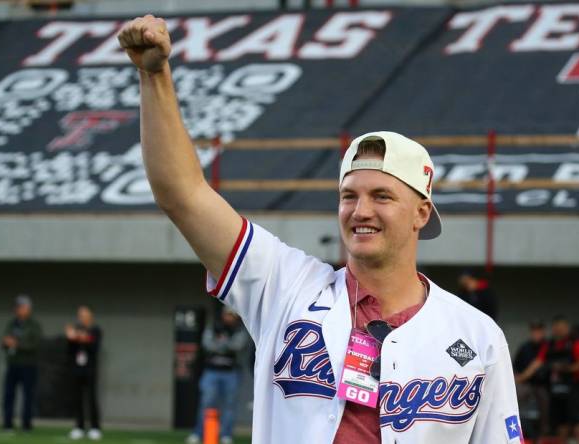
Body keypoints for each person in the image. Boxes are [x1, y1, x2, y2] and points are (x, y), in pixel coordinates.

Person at [118, 15, 520, 444]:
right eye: (349, 195)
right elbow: (182, 194)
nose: (360, 210)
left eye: (382, 196)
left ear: (421, 213)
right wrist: (154, 74)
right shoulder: (284, 286)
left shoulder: (477, 337)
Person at [516, 316, 579, 444]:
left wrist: (564, 368)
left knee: (576, 420)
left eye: (561, 329)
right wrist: (521, 378)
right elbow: (537, 363)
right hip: (556, 388)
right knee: (560, 422)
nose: (558, 332)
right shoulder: (549, 345)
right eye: (556, 329)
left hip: (573, 386)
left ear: (567, 328)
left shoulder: (575, 342)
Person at [187, 307, 249, 444]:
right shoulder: (214, 327)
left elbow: (238, 346)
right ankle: (198, 433)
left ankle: (225, 435)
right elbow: (208, 345)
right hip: (211, 371)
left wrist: (221, 342)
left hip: (231, 372)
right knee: (206, 403)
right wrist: (226, 345)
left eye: (232, 315)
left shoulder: (239, 329)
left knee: (229, 405)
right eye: (227, 314)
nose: (229, 317)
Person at [1, 294, 43, 431]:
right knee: (8, 395)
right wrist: (6, 342)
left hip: (28, 365)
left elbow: (36, 344)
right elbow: (4, 340)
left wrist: (17, 344)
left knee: (28, 396)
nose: (19, 309)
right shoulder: (11, 324)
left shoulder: (34, 325)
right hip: (13, 364)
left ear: (28, 309)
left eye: (23, 307)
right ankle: (7, 424)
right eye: (18, 307)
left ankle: (26, 424)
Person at [66, 306, 103, 441]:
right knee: (78, 399)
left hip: (90, 369)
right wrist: (71, 338)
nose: (81, 318)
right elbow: (70, 350)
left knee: (91, 398)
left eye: (84, 315)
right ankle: (79, 427)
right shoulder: (76, 330)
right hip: (77, 369)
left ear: (90, 316)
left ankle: (95, 428)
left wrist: (81, 338)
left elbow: (94, 347)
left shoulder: (96, 330)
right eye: (79, 315)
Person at [513, 320, 550, 438]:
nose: (536, 334)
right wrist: (518, 378)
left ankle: (543, 433)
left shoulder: (548, 346)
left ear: (543, 332)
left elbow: (540, 365)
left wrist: (523, 377)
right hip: (526, 384)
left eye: (539, 331)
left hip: (543, 385)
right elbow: (515, 366)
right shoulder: (525, 347)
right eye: (534, 331)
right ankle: (514, 431)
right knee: (514, 397)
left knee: (545, 402)